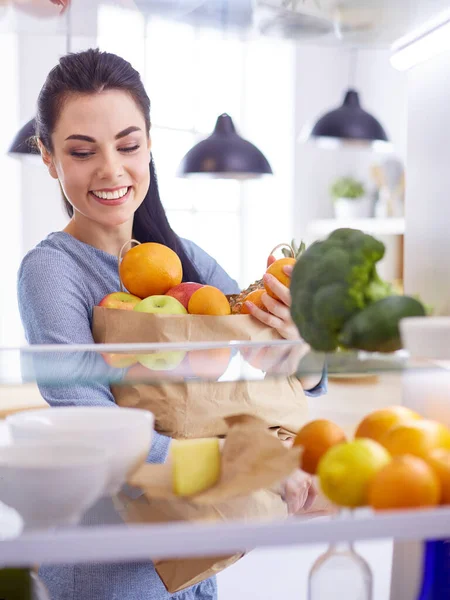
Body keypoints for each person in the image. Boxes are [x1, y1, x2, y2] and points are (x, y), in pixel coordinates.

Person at [17, 48, 325, 600]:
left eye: (129, 145)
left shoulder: (189, 260)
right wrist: (250, 467)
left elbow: (272, 374)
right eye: (82, 151)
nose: (111, 170)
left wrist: (300, 340)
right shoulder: (51, 270)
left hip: (194, 555)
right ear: (47, 156)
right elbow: (87, 415)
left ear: (150, 144)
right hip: (107, 564)